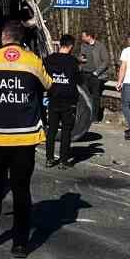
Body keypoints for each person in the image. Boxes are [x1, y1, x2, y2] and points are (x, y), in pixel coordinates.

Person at [0, 19, 51, 258]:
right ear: (21, 38)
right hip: (25, 138)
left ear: (3, 37)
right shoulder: (33, 61)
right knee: (21, 190)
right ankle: (20, 244)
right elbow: (49, 86)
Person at [42, 33, 82, 168]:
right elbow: (79, 80)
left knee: (51, 130)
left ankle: (49, 158)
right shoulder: (73, 62)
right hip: (68, 100)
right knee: (66, 131)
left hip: (53, 98)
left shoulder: (48, 60)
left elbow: (43, 77)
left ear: (60, 44)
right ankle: (63, 161)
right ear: (70, 46)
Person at [79, 30, 112, 122]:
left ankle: (94, 118)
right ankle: (85, 117)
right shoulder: (83, 45)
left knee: (95, 97)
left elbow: (106, 61)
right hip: (84, 73)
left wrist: (97, 72)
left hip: (96, 75)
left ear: (89, 36)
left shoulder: (100, 46)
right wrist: (80, 59)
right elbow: (81, 57)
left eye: (83, 36)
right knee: (85, 96)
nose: (82, 38)